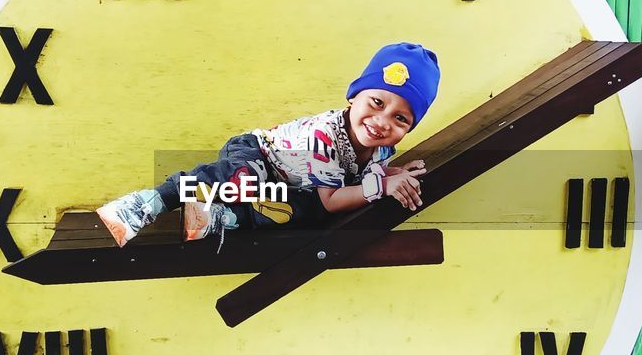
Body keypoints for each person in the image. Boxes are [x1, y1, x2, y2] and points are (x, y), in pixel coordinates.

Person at [96, 42, 441, 247]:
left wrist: (391, 172)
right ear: (354, 97)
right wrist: (382, 186)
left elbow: (352, 181)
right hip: (258, 154)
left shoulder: (380, 149)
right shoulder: (324, 136)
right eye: (377, 103)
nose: (382, 122)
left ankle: (219, 218)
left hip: (286, 184)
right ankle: (150, 201)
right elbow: (337, 198)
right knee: (243, 181)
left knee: (300, 212)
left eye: (401, 119)